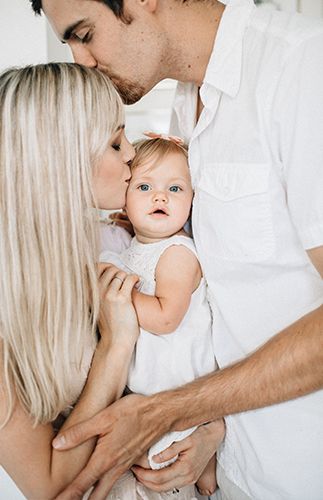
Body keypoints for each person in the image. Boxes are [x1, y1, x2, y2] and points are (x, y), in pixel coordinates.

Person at [31, 1, 323, 499]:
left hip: (303, 468)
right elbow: (218, 302)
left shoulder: (302, 69)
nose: (82, 60)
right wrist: (208, 426)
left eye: (84, 33)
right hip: (230, 468)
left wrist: (170, 410)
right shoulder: (188, 102)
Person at [0, 62, 142, 499]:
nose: (132, 153)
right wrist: (114, 345)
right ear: (62, 158)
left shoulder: (113, 241)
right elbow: (48, 484)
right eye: (115, 141)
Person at [101, 135, 218, 497]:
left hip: (180, 390)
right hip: (150, 390)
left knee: (174, 474)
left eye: (175, 188)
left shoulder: (178, 252)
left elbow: (167, 317)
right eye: (145, 186)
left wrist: (114, 296)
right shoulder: (133, 247)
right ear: (126, 197)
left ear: (193, 200)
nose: (160, 196)